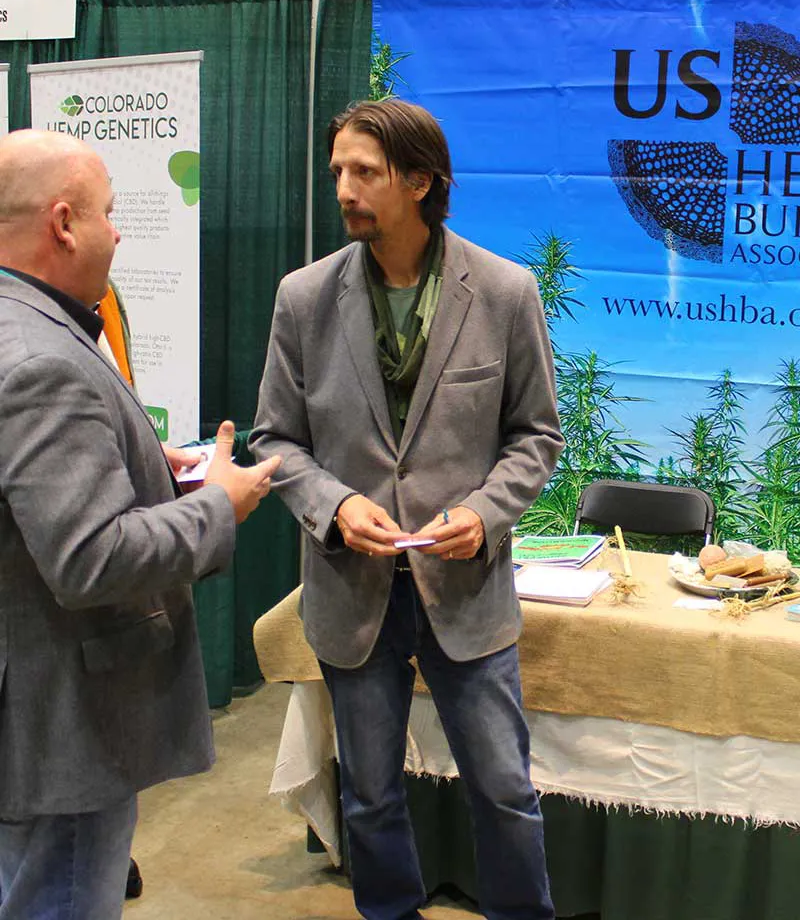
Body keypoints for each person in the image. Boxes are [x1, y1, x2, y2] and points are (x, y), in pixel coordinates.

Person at [250, 99, 564, 920]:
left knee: (504, 790)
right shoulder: (303, 297)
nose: (344, 189)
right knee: (370, 796)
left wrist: (485, 514)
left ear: (421, 181)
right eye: (338, 172)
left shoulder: (503, 291)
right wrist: (335, 504)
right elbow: (274, 438)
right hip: (351, 591)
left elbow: (536, 436)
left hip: (465, 591)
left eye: (365, 172)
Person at [0, 128, 280, 920]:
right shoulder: (43, 360)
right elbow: (90, 558)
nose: (118, 234)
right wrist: (217, 504)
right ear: (63, 224)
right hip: (64, 728)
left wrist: (133, 458)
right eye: (109, 213)